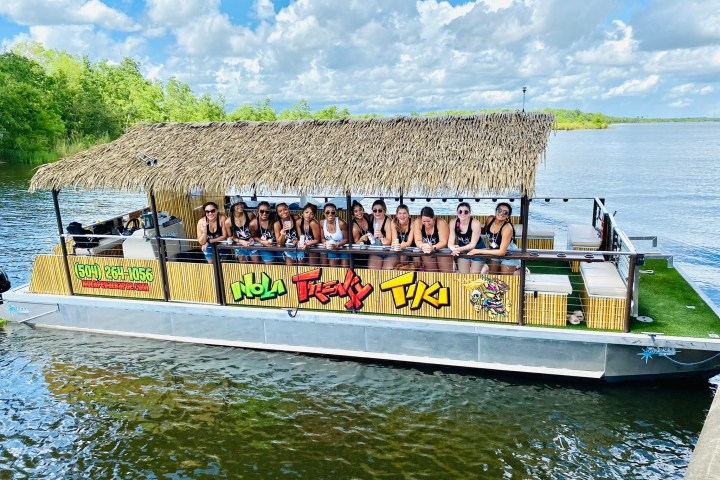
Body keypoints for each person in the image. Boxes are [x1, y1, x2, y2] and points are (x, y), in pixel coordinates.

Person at [468, 202, 521, 275]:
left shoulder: (507, 228)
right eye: (499, 210)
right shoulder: (490, 219)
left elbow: (502, 252)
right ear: (496, 211)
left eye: (505, 212)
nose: (501, 213)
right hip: (495, 250)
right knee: (492, 275)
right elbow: (485, 230)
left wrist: (479, 251)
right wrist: (471, 227)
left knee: (505, 278)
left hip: (508, 252)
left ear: (508, 216)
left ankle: (519, 270)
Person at [449, 202, 489, 274]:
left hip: (477, 249)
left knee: (474, 275)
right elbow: (450, 242)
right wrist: (453, 249)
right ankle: (483, 268)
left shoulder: (475, 223)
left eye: (466, 212)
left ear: (469, 213)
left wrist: (457, 249)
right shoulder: (453, 223)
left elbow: (472, 245)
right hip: (463, 248)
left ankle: (484, 268)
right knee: (464, 274)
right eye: (460, 211)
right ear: (457, 213)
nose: (462, 214)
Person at [412, 206, 452, 272]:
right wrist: (423, 247)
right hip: (426, 249)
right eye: (424, 221)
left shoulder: (441, 223)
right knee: (431, 271)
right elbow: (418, 240)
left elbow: (443, 242)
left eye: (428, 221)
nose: (426, 224)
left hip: (441, 250)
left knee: (445, 272)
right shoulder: (418, 222)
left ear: (433, 218)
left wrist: (433, 247)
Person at [367, 199, 397, 270]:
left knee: (387, 269)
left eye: (380, 210)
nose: (377, 213)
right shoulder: (371, 218)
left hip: (388, 252)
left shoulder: (388, 222)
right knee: (373, 269)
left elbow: (389, 242)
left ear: (384, 210)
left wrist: (381, 236)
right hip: (376, 250)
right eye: (375, 210)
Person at [321, 203, 350, 267]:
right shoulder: (322, 223)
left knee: (344, 268)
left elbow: (346, 239)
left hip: (343, 248)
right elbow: (322, 238)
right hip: (331, 248)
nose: (330, 214)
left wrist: (337, 245)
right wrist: (324, 243)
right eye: (327, 212)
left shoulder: (341, 223)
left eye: (333, 212)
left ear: (336, 213)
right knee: (333, 268)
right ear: (324, 213)